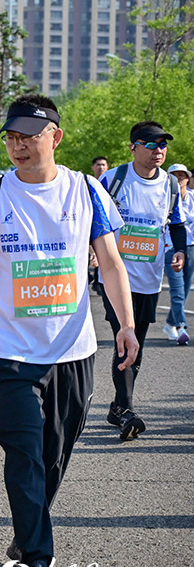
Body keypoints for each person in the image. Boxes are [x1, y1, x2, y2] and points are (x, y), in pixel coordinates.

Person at [0, 94, 137, 567]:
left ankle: (28, 528)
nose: (18, 144)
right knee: (24, 452)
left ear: (56, 137)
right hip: (7, 353)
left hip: (73, 353)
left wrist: (126, 326)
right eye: (11, 136)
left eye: (29, 134)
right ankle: (36, 563)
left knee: (53, 456)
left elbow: (111, 264)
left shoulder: (87, 190)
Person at [98, 121, 187, 440]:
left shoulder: (170, 186)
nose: (158, 151)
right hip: (115, 278)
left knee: (138, 345)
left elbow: (176, 224)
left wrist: (179, 252)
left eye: (163, 145)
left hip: (149, 280)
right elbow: (93, 220)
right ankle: (127, 411)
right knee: (125, 340)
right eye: (151, 145)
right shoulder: (114, 179)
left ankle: (117, 406)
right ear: (133, 147)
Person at [162, 163, 193, 345]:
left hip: (191, 247)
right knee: (177, 288)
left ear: (188, 179)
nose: (179, 179)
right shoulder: (165, 198)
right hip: (171, 248)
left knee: (186, 287)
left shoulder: (193, 198)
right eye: (175, 175)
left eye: (182, 175)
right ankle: (181, 325)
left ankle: (169, 323)